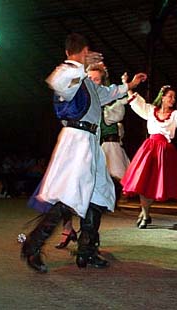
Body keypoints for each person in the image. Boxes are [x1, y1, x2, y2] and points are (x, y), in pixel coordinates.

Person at [21, 33, 147, 273]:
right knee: (68, 197)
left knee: (99, 195)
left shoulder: (87, 82)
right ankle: (32, 246)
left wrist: (129, 86)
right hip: (76, 141)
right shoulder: (70, 74)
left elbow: (107, 94)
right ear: (82, 51)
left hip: (91, 142)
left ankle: (86, 251)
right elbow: (57, 81)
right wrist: (82, 65)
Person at [54, 64, 131, 249]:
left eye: (97, 80)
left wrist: (127, 85)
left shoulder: (102, 100)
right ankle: (67, 232)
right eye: (90, 78)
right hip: (77, 149)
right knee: (68, 192)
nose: (92, 82)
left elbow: (114, 96)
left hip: (96, 150)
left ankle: (87, 242)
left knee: (97, 193)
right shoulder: (77, 94)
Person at [121, 85, 177, 228]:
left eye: (174, 97)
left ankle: (145, 212)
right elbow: (137, 103)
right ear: (163, 97)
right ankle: (145, 213)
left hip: (164, 151)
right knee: (143, 181)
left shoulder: (174, 115)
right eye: (170, 96)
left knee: (154, 183)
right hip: (149, 149)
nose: (172, 99)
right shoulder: (151, 110)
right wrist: (127, 84)